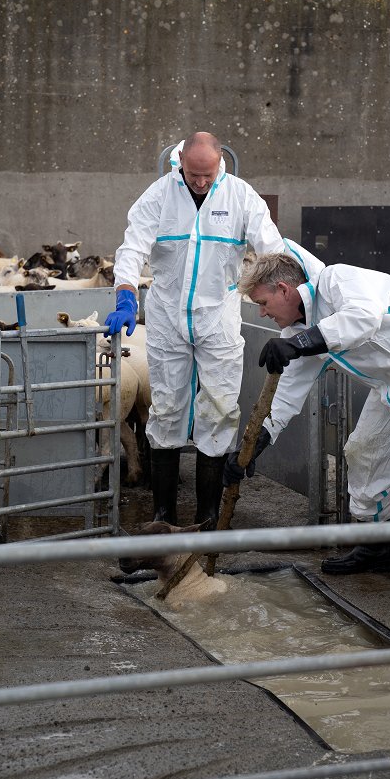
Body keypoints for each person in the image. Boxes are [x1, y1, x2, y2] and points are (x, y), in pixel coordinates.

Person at [224, 243, 390, 615]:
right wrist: (255, 446)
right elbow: (286, 394)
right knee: (362, 456)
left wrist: (300, 343)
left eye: (263, 303)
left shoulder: (338, 280)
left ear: (284, 290)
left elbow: (364, 318)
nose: (263, 313)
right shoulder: (301, 331)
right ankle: (378, 546)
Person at [105, 131, 285, 529]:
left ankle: (207, 517)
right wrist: (125, 295)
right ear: (180, 161)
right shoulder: (158, 196)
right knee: (165, 408)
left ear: (220, 163)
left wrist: (288, 294)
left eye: (208, 174)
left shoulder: (241, 196)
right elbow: (132, 248)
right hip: (168, 317)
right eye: (192, 174)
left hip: (217, 316)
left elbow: (272, 248)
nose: (200, 182)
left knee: (220, 408)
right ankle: (163, 515)